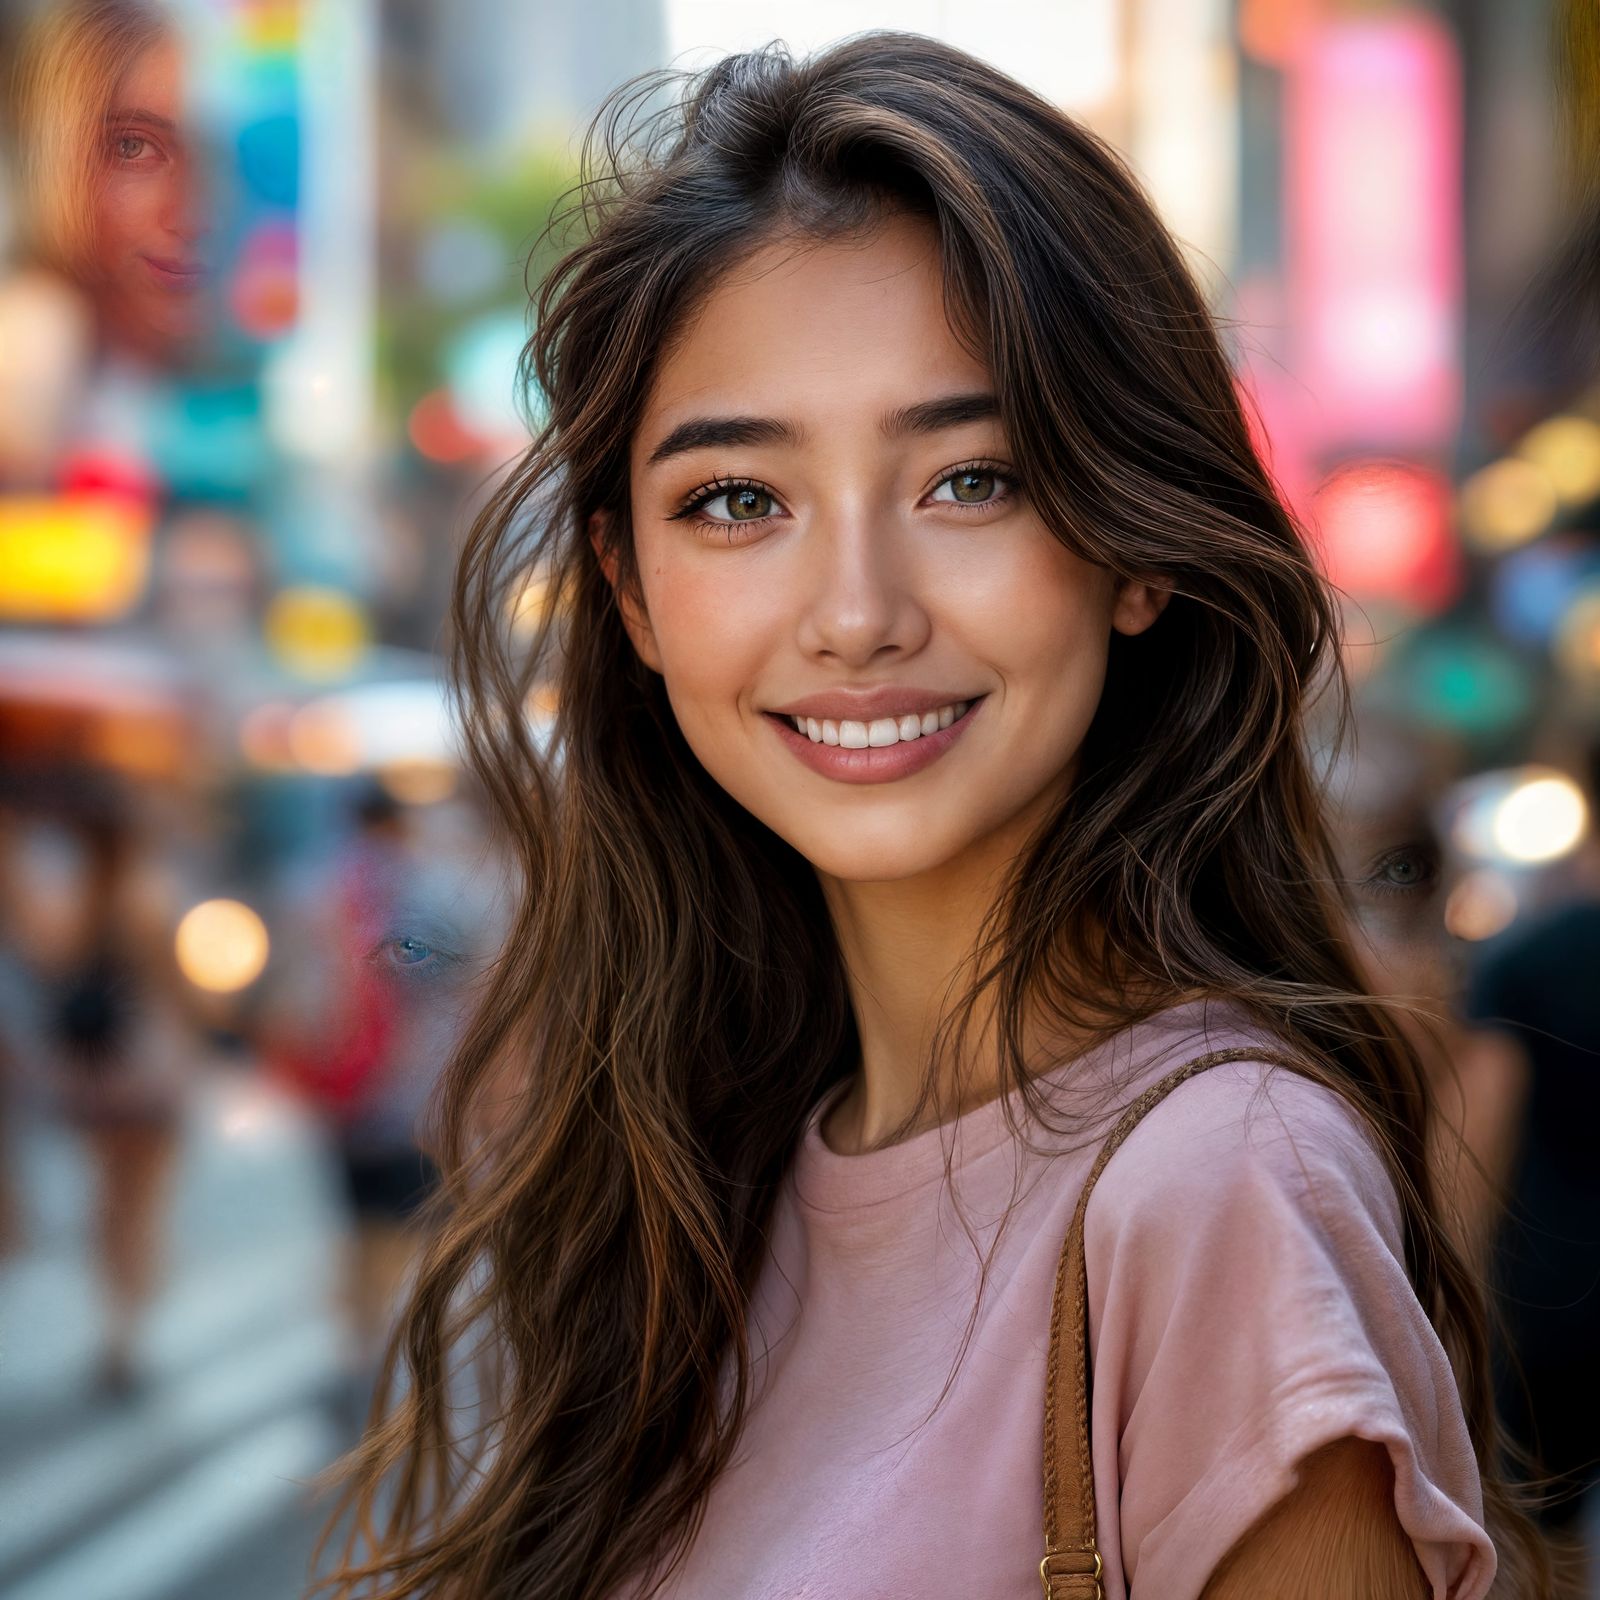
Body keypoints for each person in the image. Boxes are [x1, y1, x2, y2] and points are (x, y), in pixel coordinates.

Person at [319, 37, 1550, 1600]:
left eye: (970, 480)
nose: (854, 615)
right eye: (738, 501)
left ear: (1132, 550)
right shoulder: (695, 1177)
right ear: (629, 591)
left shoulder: (1218, 1193)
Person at [4, 0, 207, 364]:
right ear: (54, 163)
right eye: (132, 146)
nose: (195, 217)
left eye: (214, 155)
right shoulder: (32, 341)